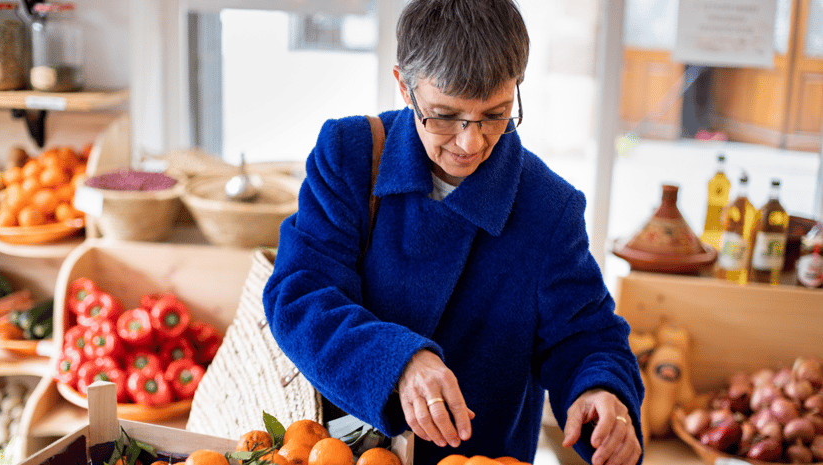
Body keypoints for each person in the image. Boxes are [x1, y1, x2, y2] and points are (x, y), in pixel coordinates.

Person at [263, 0, 644, 464]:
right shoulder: (351, 155)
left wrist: (601, 392)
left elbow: (586, 337)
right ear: (405, 85)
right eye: (444, 116)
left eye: (495, 114)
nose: (471, 142)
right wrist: (398, 362)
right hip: (333, 451)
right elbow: (300, 294)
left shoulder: (549, 206)